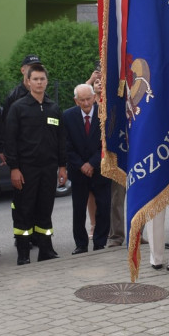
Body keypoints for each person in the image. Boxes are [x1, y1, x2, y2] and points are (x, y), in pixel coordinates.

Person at [3, 63, 67, 265]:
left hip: (48, 169)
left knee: (45, 209)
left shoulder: (53, 108)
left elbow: (61, 140)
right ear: (28, 81)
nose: (39, 82)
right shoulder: (18, 108)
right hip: (25, 170)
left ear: (47, 82)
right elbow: (10, 141)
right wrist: (14, 168)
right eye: (35, 79)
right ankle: (23, 254)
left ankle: (46, 250)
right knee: (24, 210)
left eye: (42, 79)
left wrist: (62, 166)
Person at [63, 83, 110, 254]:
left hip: (99, 170)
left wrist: (92, 163)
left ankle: (100, 242)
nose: (85, 103)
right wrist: (81, 165)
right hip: (78, 171)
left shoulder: (103, 113)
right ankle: (81, 244)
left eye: (88, 99)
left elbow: (106, 143)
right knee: (79, 209)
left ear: (94, 97)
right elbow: (66, 145)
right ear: (76, 101)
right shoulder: (67, 116)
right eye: (81, 100)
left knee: (104, 207)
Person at [1, 53, 39, 123]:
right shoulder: (13, 97)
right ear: (23, 70)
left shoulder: (43, 96)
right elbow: (6, 124)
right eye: (32, 67)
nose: (35, 71)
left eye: (37, 68)